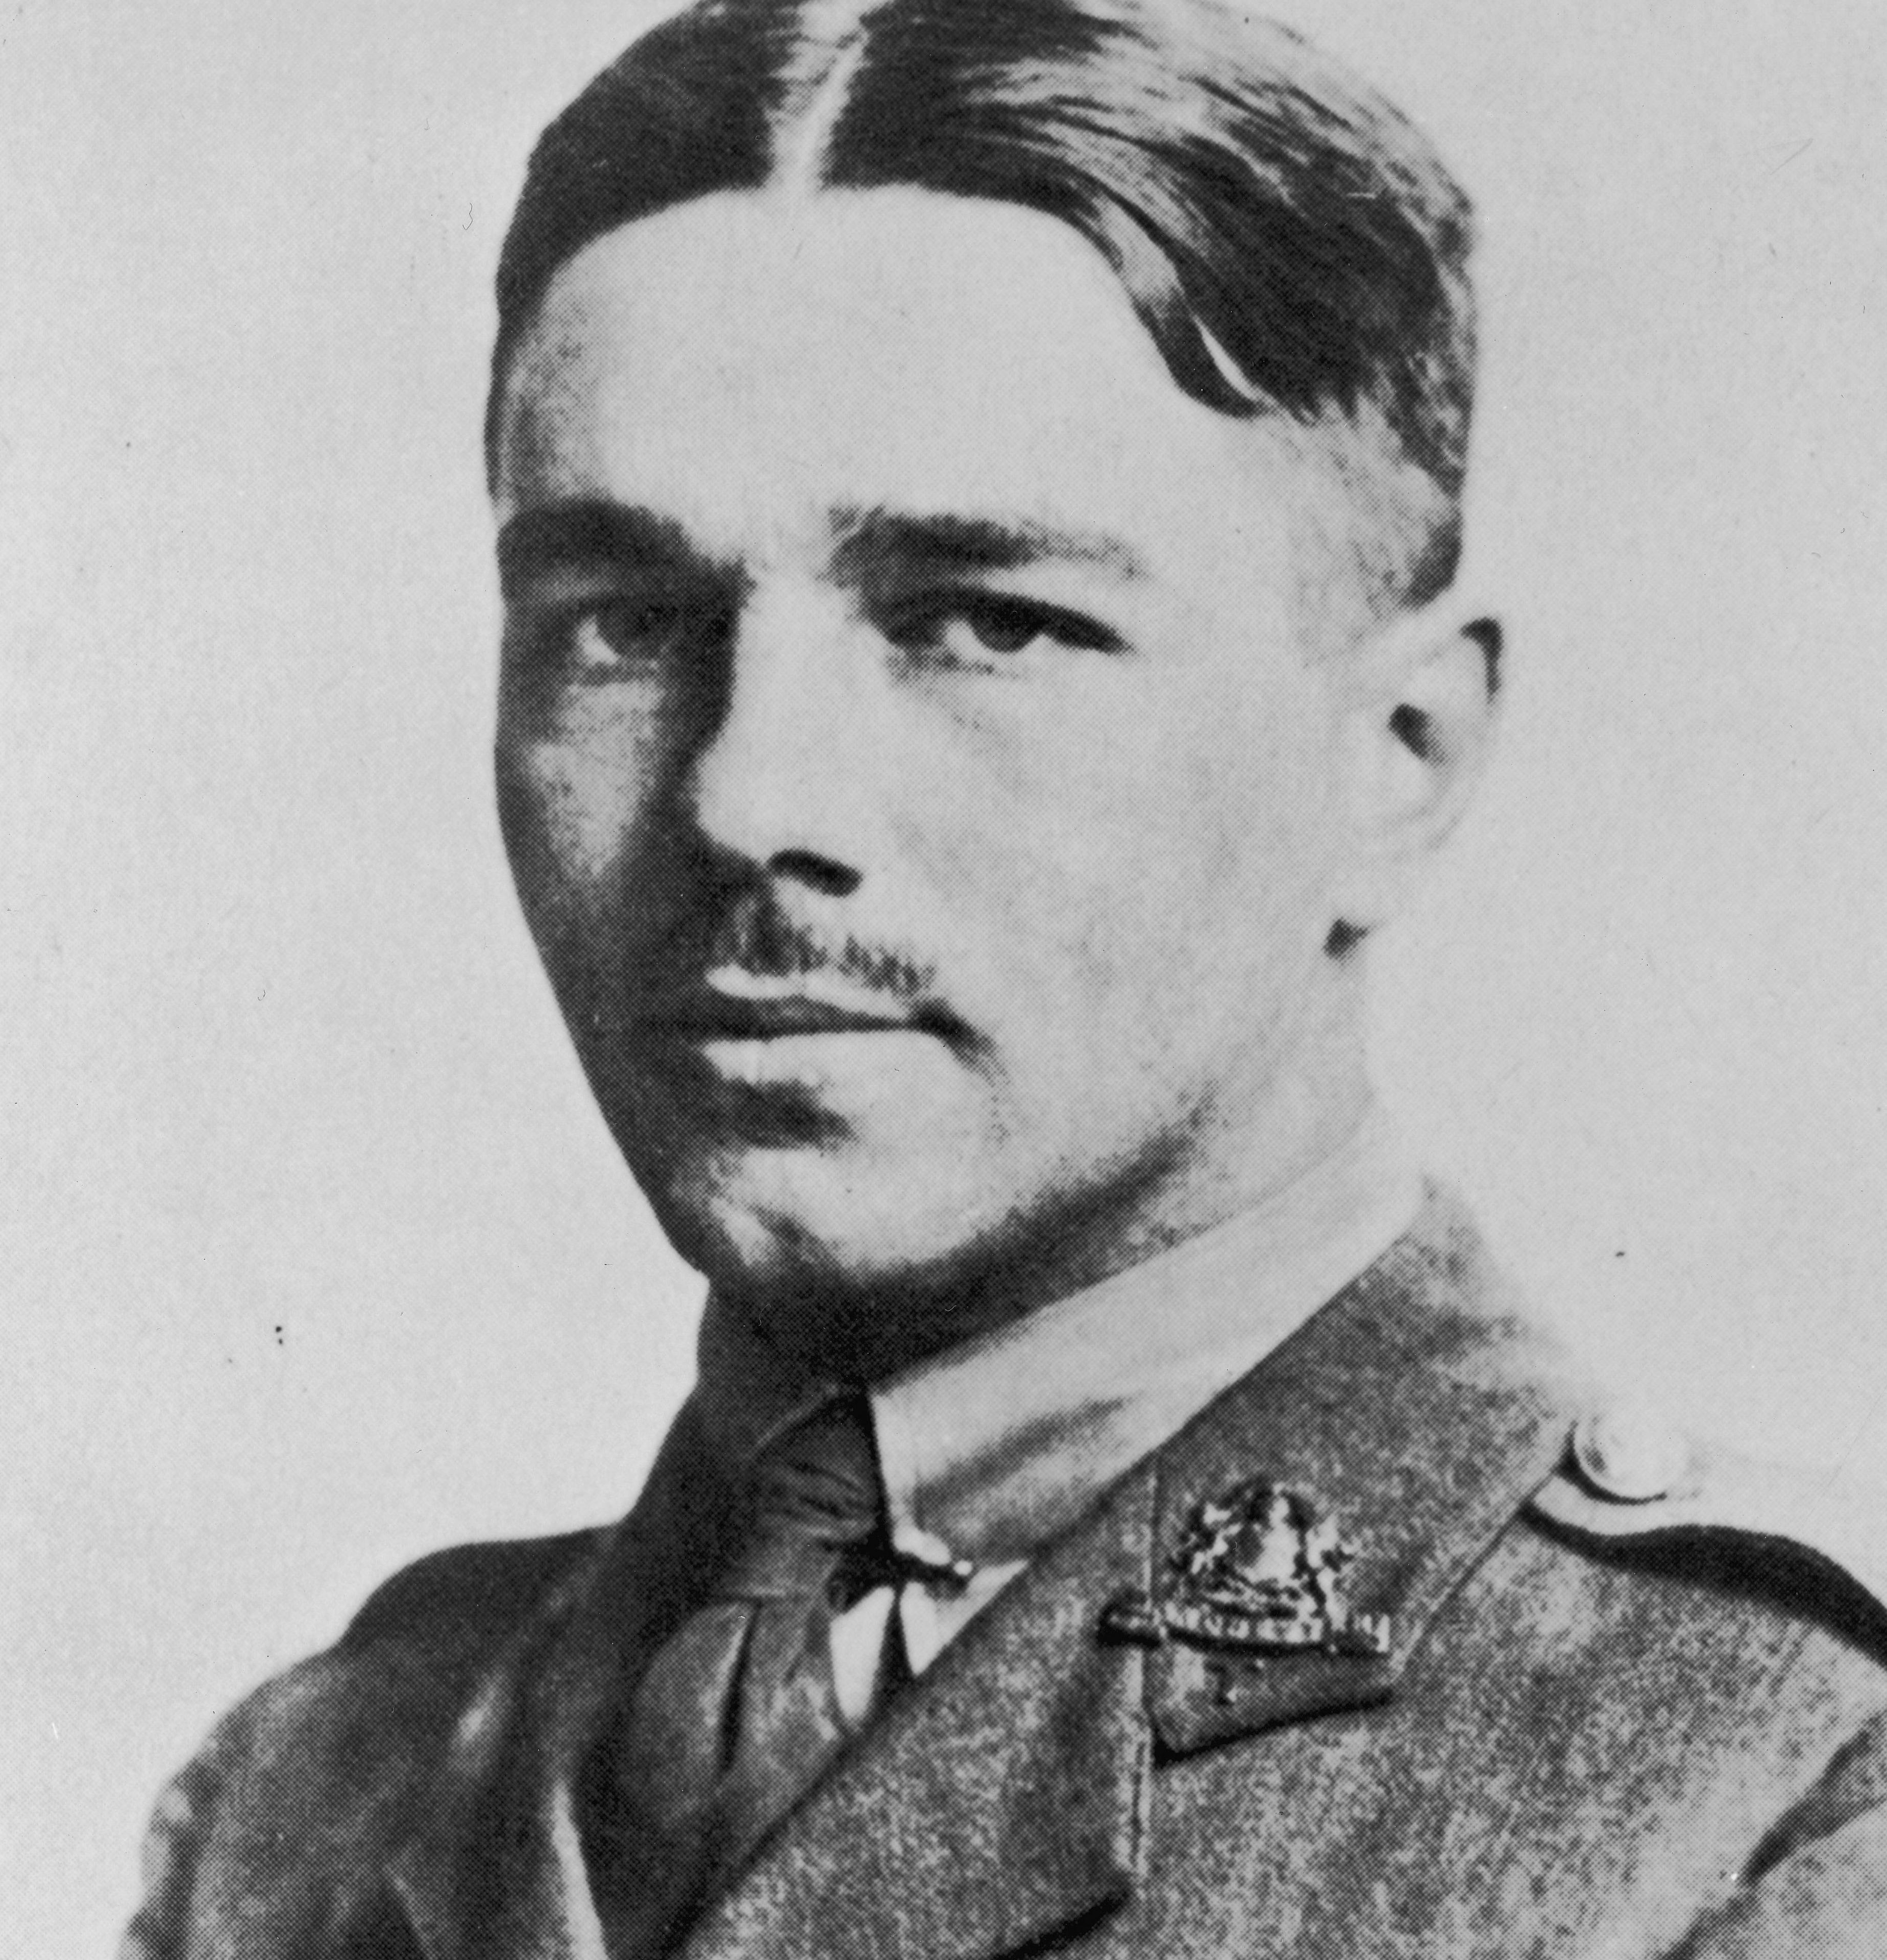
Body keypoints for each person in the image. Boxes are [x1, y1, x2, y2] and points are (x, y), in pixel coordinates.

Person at [120, 3, 1887, 1955]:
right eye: (624, 624)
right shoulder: (306, 1792)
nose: (744, 794)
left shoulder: (1772, 1774)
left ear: (1398, 757)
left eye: (984, 623)